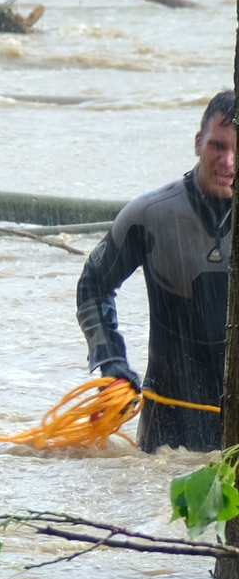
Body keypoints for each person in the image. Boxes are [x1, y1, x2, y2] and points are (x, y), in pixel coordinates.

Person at [76, 90, 235, 453]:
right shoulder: (150, 215)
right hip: (166, 433)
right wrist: (111, 361)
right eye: (217, 146)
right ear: (198, 143)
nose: (228, 161)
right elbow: (94, 284)